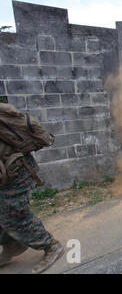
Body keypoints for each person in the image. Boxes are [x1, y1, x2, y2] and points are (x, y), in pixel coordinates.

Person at [0, 103, 64, 273]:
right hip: (6, 175)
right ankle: (11, 244)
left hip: (17, 173)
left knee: (14, 216)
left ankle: (51, 246)